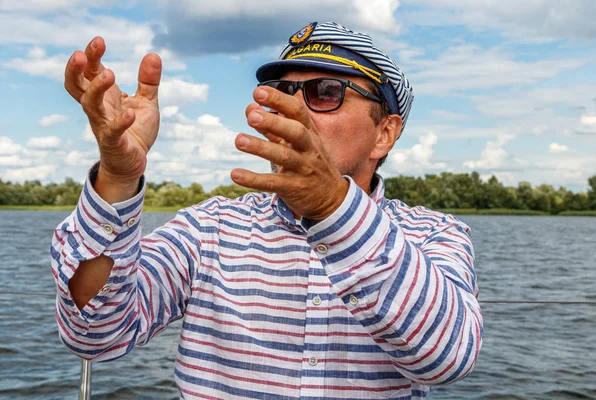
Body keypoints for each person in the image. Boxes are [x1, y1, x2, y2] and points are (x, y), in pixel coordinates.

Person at [52, 21, 482, 399]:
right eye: (283, 92)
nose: (292, 109)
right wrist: (118, 176)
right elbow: (94, 331)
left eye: (325, 92)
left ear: (385, 134)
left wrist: (332, 206)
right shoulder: (211, 227)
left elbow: (446, 359)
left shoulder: (433, 234)